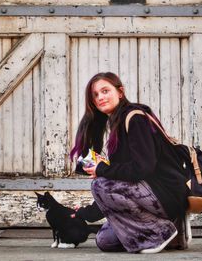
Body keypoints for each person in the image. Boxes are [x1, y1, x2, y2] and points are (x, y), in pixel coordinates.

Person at [70, 72, 189, 253]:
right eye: (95, 95)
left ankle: (162, 231)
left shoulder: (135, 118)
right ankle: (171, 229)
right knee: (105, 241)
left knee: (100, 184)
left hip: (166, 194)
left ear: (120, 92)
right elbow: (120, 188)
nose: (100, 97)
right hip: (149, 196)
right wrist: (83, 213)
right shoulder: (117, 123)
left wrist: (103, 170)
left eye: (105, 91)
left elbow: (142, 169)